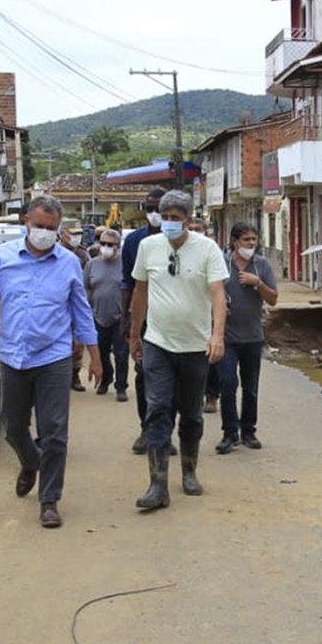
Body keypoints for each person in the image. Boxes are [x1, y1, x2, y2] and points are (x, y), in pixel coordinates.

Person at [0, 196, 101, 528]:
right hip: (12, 356)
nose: (45, 233)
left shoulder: (67, 263)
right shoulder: (3, 257)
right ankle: (30, 462)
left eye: (51, 228)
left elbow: (80, 310)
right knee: (14, 427)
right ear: (26, 222)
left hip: (53, 357)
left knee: (54, 432)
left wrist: (95, 355)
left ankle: (49, 499)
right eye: (39, 227)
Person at [129, 189, 227, 510]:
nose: (169, 223)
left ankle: (189, 471)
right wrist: (134, 334)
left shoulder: (207, 249)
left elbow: (217, 295)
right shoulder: (148, 247)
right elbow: (140, 292)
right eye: (165, 217)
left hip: (195, 348)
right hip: (158, 343)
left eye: (175, 218)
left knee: (191, 412)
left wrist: (217, 335)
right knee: (157, 409)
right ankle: (158, 485)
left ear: (187, 220)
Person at [216, 223, 278, 454]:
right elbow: (210, 293)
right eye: (246, 240)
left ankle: (248, 431)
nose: (251, 244)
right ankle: (229, 433)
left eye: (253, 239)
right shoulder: (223, 265)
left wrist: (257, 283)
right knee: (228, 384)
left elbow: (273, 299)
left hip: (253, 337)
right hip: (228, 338)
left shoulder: (261, 265)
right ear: (235, 242)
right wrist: (220, 307)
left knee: (250, 387)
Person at [121, 186, 167, 452]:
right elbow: (128, 283)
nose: (154, 215)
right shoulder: (134, 242)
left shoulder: (185, 242)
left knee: (172, 380)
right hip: (144, 319)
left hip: (174, 321)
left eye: (158, 210)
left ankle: (165, 432)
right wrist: (126, 322)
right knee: (143, 375)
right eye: (149, 209)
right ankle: (146, 429)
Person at [84, 228, 130, 400]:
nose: (105, 247)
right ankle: (105, 379)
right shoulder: (92, 264)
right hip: (98, 316)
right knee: (101, 352)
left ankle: (121, 387)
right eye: (102, 243)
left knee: (121, 354)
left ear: (117, 246)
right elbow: (86, 287)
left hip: (120, 317)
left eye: (109, 244)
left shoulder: (125, 265)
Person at [187, 216, 222, 413]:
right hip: (189, 318)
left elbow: (222, 287)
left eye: (197, 229)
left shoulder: (212, 252)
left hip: (209, 315)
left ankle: (211, 395)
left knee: (211, 360)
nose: (193, 232)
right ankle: (195, 395)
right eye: (190, 228)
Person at [59, 223, 90, 391]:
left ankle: (75, 375)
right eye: (73, 234)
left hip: (77, 303)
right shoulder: (54, 252)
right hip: (60, 305)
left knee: (78, 343)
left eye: (79, 234)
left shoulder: (82, 255)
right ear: (63, 234)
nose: (76, 238)